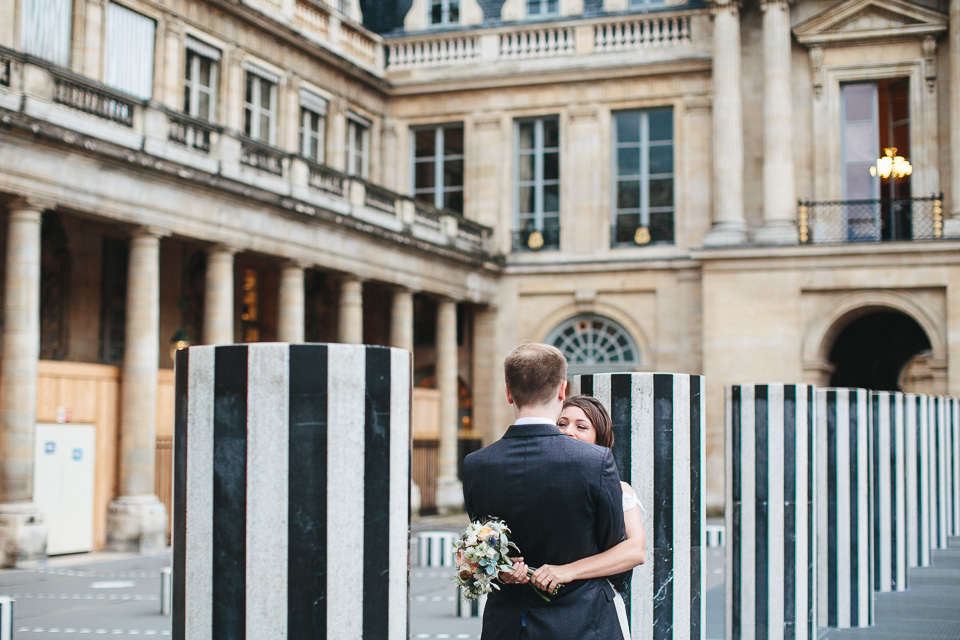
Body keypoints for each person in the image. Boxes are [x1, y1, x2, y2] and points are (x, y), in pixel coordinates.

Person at [461, 343, 627, 640]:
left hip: (507, 628)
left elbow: (481, 544)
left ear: (508, 392)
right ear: (563, 390)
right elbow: (613, 543)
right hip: (583, 623)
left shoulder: (477, 464)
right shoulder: (595, 461)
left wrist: (501, 569)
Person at [531, 395, 648, 639]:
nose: (568, 432)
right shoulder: (537, 483)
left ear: (600, 439)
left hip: (594, 613)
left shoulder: (619, 488)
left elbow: (636, 550)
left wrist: (568, 571)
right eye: (561, 424)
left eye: (581, 426)